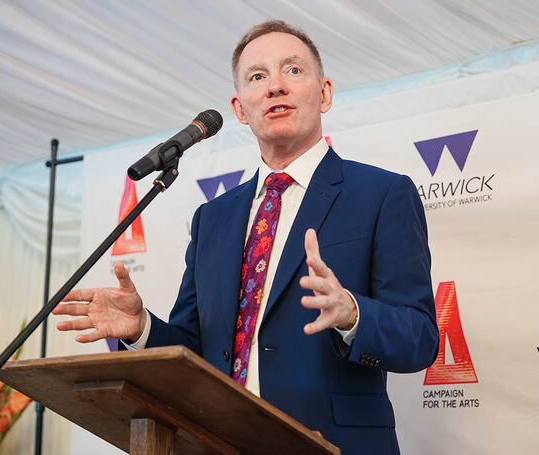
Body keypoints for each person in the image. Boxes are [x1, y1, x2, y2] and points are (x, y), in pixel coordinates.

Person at [54, 20, 438, 454]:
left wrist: (353, 313)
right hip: (219, 443)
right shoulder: (213, 218)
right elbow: (195, 353)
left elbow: (420, 339)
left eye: (292, 70)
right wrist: (141, 328)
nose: (275, 87)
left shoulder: (382, 194)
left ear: (325, 92)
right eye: (258, 76)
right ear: (239, 108)